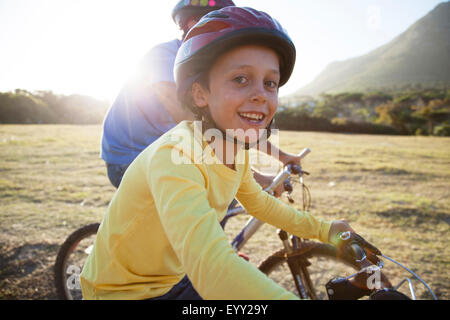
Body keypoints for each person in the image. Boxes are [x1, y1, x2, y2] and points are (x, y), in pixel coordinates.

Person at [80, 6, 382, 300]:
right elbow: (213, 270)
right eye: (240, 79)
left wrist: (327, 229)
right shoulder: (176, 156)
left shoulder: (234, 152)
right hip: (120, 292)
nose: (260, 95)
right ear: (200, 94)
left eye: (270, 83)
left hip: (174, 281)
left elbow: (261, 204)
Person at [100, 0, 304, 196]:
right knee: (212, 197)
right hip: (131, 157)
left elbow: (231, 120)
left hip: (165, 149)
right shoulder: (164, 56)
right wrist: (257, 178)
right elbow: (196, 121)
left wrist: (282, 156)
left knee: (221, 191)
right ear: (191, 24)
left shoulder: (210, 68)